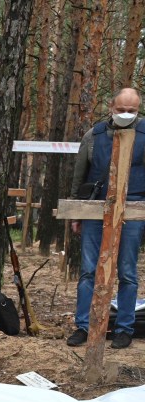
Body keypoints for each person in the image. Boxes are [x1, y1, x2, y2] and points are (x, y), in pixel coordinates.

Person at [66, 87, 145, 350]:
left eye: (131, 111)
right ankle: (83, 326)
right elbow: (79, 176)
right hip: (95, 210)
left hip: (133, 211)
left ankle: (124, 329)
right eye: (121, 109)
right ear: (111, 106)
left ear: (139, 109)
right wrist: (77, 213)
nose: (125, 114)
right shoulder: (94, 135)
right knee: (89, 271)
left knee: (127, 273)